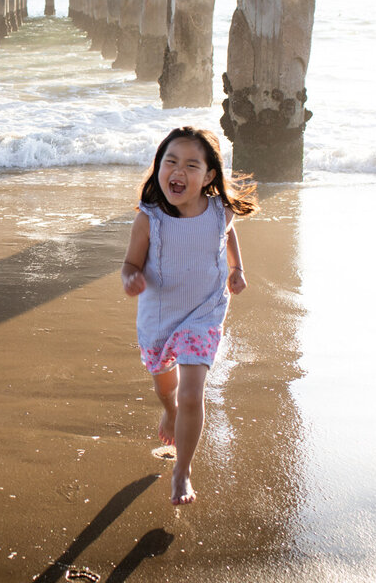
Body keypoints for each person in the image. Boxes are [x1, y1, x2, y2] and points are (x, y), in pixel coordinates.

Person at [121, 126, 257, 506]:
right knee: (167, 388)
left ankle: (183, 471)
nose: (178, 171)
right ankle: (169, 410)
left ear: (209, 176)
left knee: (194, 391)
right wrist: (131, 276)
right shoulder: (150, 219)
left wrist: (237, 269)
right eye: (171, 161)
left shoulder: (219, 211)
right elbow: (131, 262)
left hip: (204, 311)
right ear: (159, 167)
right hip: (159, 317)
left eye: (191, 165)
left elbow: (228, 234)